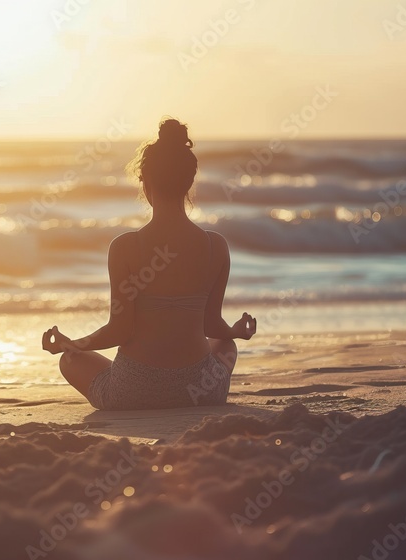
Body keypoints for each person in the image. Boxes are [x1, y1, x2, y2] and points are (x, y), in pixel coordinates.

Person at [41, 118, 256, 410]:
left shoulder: (125, 247)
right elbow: (211, 325)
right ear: (189, 182)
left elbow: (119, 330)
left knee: (70, 361)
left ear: (146, 181)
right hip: (201, 391)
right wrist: (236, 332)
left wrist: (72, 344)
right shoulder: (215, 246)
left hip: (132, 393)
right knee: (226, 345)